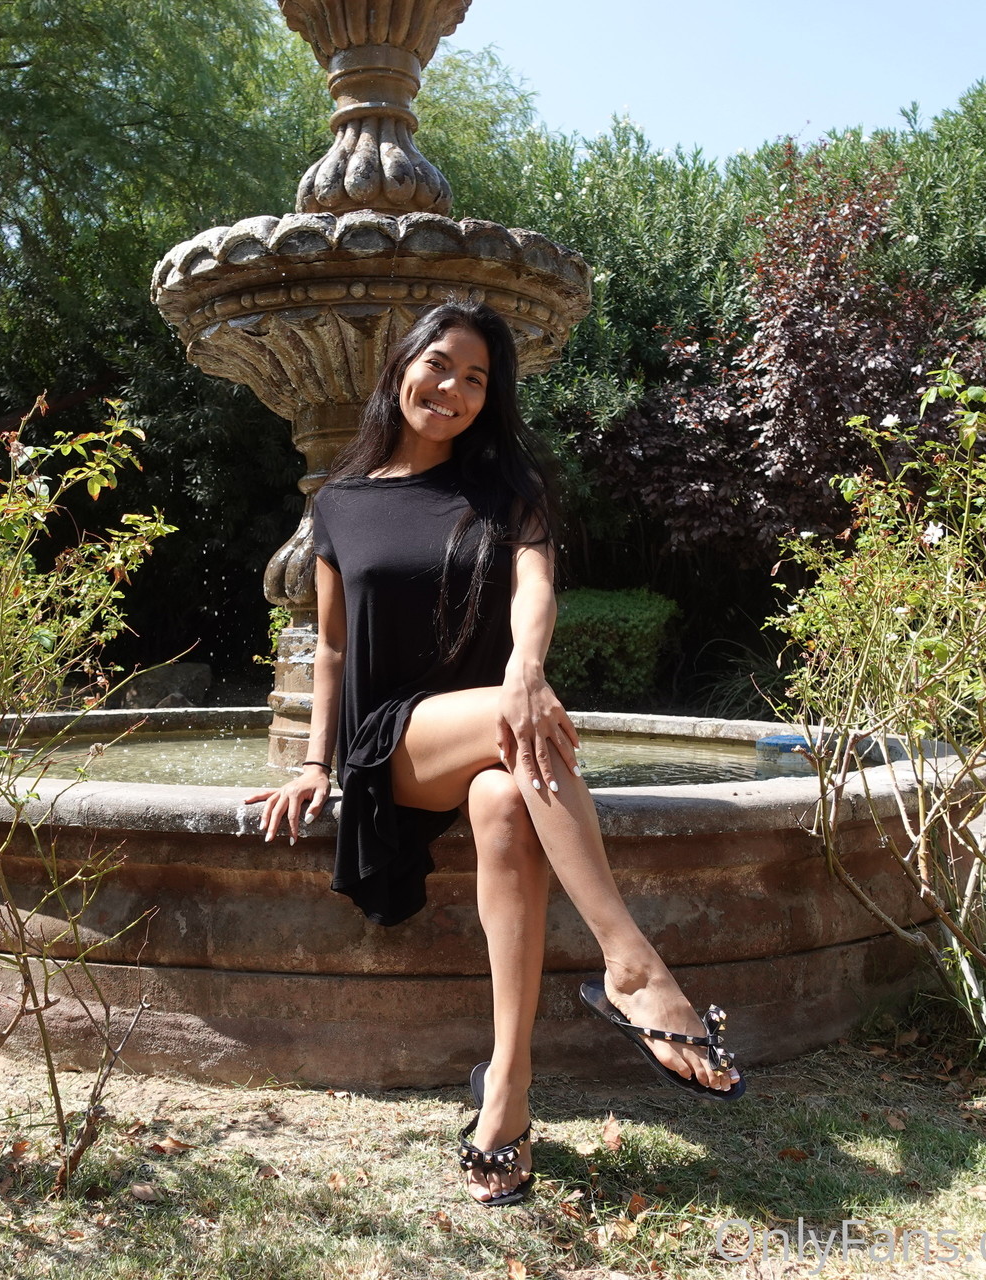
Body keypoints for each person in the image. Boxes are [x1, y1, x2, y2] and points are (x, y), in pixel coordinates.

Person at [243, 299, 743, 1209]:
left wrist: (525, 667)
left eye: (477, 378)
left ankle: (506, 1091)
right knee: (524, 726)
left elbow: (535, 590)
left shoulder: (510, 491)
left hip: (497, 735)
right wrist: (314, 764)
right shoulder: (340, 504)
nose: (454, 388)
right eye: (440, 364)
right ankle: (632, 970)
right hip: (392, 741)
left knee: (508, 802)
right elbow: (336, 648)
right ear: (401, 368)